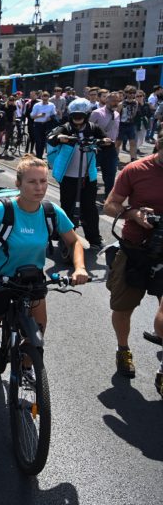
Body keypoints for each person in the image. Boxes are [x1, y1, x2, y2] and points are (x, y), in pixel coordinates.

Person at [0, 156, 89, 393]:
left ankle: (27, 366)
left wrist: (79, 268)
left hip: (32, 281)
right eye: (32, 182)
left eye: (43, 182)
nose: (39, 188)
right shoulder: (1, 210)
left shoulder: (51, 212)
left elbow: (74, 242)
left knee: (38, 332)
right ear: (18, 184)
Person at [103, 128, 163, 394]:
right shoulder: (136, 170)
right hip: (135, 250)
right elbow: (110, 205)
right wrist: (134, 213)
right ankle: (123, 348)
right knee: (123, 307)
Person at [47, 98, 112, 250]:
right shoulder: (66, 127)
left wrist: (105, 141)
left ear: (87, 115)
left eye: (81, 116)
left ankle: (94, 239)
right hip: (68, 176)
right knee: (67, 206)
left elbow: (106, 140)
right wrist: (60, 138)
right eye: (75, 116)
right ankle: (64, 235)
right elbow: (50, 138)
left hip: (87, 176)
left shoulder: (93, 127)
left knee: (90, 208)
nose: (78, 119)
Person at [89, 91, 121, 196]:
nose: (115, 103)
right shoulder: (97, 113)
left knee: (111, 173)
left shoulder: (117, 114)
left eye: (117, 101)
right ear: (106, 100)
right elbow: (89, 130)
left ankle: (108, 196)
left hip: (111, 148)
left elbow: (116, 130)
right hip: (97, 148)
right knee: (90, 173)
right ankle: (89, 194)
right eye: (113, 101)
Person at [30, 91, 56, 159]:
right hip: (38, 124)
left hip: (46, 124)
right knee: (38, 141)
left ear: (48, 98)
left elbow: (54, 114)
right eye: (43, 99)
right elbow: (32, 116)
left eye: (46, 99)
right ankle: (38, 156)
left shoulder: (51, 105)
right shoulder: (37, 105)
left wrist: (50, 118)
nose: (45, 100)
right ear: (41, 98)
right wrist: (40, 115)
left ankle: (40, 156)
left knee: (43, 142)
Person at [117, 85, 140, 161]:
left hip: (131, 125)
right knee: (118, 143)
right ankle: (115, 157)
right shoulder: (121, 104)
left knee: (132, 142)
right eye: (129, 93)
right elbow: (117, 115)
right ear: (126, 93)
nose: (131, 94)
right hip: (121, 125)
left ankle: (133, 158)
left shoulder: (136, 103)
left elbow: (135, 113)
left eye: (133, 93)